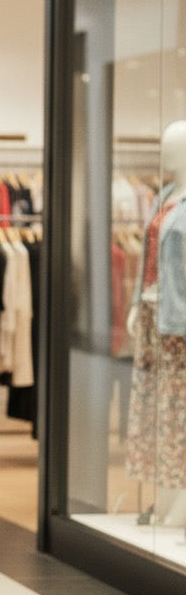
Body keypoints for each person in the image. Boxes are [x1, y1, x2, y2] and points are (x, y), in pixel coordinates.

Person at [126, 118, 186, 527]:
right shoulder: (163, 195)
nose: (164, 152)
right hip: (151, 317)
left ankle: (180, 499)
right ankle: (164, 496)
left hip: (178, 323)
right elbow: (146, 258)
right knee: (154, 408)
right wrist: (134, 303)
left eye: (172, 145)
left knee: (177, 410)